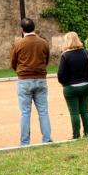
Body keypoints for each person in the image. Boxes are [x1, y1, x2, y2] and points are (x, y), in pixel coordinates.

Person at [10, 18, 52, 146]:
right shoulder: (43, 43)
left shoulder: (18, 44)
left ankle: (24, 142)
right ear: (34, 28)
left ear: (22, 30)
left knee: (25, 113)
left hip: (24, 80)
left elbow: (13, 62)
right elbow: (47, 60)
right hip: (40, 79)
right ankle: (46, 139)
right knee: (43, 111)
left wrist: (20, 70)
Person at [56, 32, 88, 139]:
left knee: (74, 113)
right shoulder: (85, 53)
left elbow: (61, 75)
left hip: (71, 87)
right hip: (86, 85)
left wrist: (64, 83)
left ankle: (76, 135)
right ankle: (87, 134)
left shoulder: (65, 55)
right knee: (85, 111)